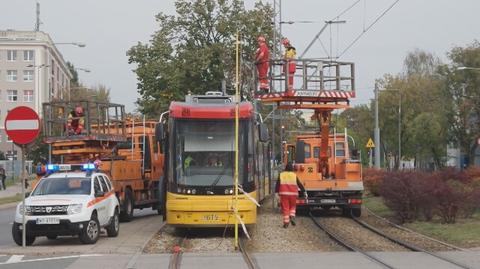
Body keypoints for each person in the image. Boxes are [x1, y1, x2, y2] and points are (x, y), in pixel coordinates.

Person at [275, 162, 305, 228]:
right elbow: (299, 184)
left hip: (284, 194)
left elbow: (277, 185)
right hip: (293, 194)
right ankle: (292, 216)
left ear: (285, 168)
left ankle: (286, 222)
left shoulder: (281, 174)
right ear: (292, 168)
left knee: (285, 208)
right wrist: (303, 191)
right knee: (293, 206)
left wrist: (276, 193)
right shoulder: (294, 175)